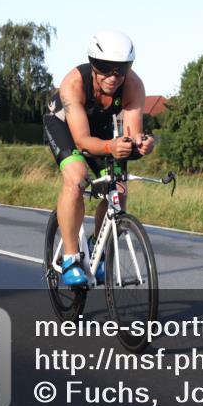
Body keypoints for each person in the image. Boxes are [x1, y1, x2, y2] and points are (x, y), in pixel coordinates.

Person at [43, 31, 156, 286]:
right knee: (76, 178)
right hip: (64, 126)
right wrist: (109, 146)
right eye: (105, 68)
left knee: (118, 187)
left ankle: (98, 243)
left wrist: (143, 143)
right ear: (93, 63)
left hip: (100, 128)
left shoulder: (134, 86)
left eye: (122, 69)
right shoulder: (73, 83)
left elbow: (132, 133)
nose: (113, 77)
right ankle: (71, 257)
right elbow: (82, 141)